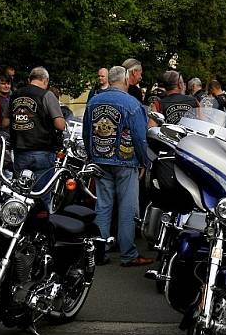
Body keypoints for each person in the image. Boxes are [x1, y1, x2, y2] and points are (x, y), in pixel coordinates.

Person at [83, 65, 152, 267]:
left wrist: (91, 156)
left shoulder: (93, 101)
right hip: (125, 160)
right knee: (127, 207)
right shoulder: (132, 103)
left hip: (100, 159)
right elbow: (140, 138)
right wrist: (144, 162)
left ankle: (99, 252)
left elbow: (87, 133)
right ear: (124, 80)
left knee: (103, 206)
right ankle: (128, 254)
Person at [9, 66, 66, 201]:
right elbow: (60, 125)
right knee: (42, 194)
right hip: (43, 150)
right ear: (46, 81)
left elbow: (5, 122)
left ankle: (20, 220)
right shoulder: (47, 95)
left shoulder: (14, 95)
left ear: (30, 79)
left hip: (19, 150)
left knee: (20, 193)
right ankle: (42, 220)